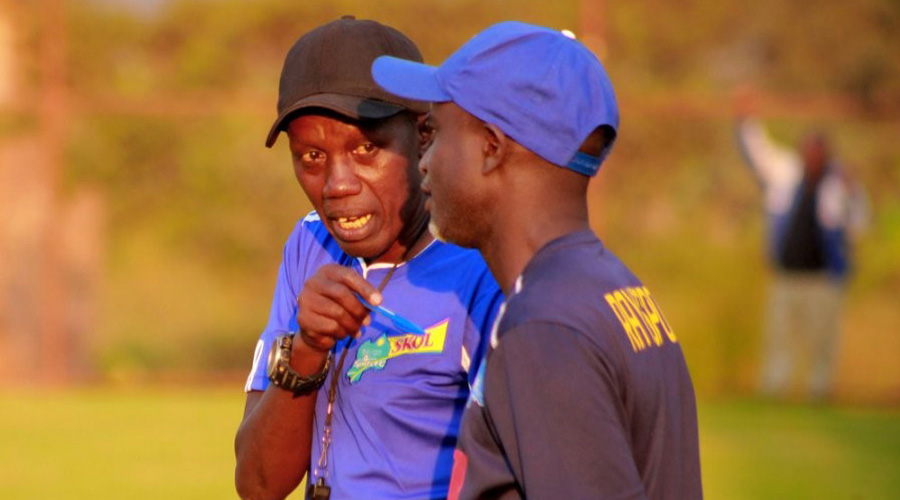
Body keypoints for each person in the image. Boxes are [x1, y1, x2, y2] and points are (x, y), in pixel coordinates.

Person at [373, 21, 702, 500]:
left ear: (490, 147)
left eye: (437, 133)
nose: (424, 161)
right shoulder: (609, 287)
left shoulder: (545, 327)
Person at [234, 16, 503, 500]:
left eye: (366, 148)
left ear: (423, 137)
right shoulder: (309, 244)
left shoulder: (477, 268)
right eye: (312, 157)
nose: (338, 184)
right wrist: (308, 348)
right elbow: (259, 484)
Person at [735, 99, 869, 401]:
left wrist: (851, 194)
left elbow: (860, 222)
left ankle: (819, 392)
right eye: (807, 151)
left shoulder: (840, 183)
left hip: (823, 277)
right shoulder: (786, 174)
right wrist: (746, 119)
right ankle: (773, 391)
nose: (811, 158)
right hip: (786, 274)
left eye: (817, 153)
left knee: (822, 340)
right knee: (779, 338)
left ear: (826, 156)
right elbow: (758, 152)